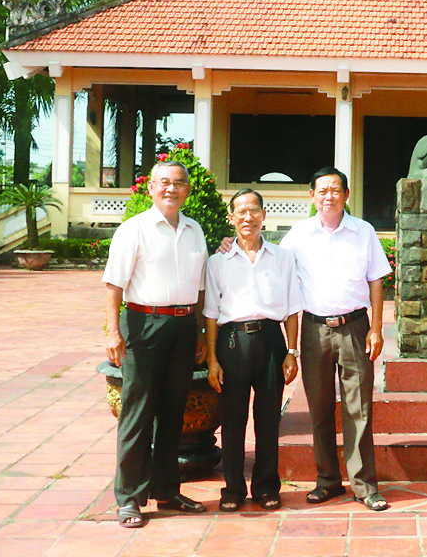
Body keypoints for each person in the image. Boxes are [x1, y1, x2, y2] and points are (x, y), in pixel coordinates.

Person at [102, 160, 209, 528]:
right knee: (138, 413)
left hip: (182, 328)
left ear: (188, 189)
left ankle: (167, 491)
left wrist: (199, 332)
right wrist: (112, 332)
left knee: (173, 413)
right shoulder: (134, 230)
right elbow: (114, 286)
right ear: (150, 188)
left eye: (179, 183)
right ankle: (129, 498)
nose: (171, 189)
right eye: (164, 182)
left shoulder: (195, 231)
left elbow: (200, 290)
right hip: (143, 324)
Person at [280, 167, 392, 511]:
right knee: (319, 408)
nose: (329, 196)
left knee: (359, 409)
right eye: (322, 191)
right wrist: (231, 243)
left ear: (346, 194)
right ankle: (327, 481)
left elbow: (377, 281)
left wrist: (376, 328)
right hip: (314, 329)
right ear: (311, 196)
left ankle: (364, 485)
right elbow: (273, 266)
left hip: (355, 327)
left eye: (335, 190)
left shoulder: (363, 232)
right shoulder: (298, 235)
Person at [203, 189, 302, 512]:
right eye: (241, 212)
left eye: (254, 211)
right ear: (231, 218)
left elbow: (291, 309)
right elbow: (211, 313)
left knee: (268, 418)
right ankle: (232, 489)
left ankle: (266, 486)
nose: (248, 217)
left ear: (263, 215)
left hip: (271, 342)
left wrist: (292, 351)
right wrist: (213, 359)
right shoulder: (217, 262)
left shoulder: (282, 258)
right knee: (232, 420)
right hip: (232, 343)